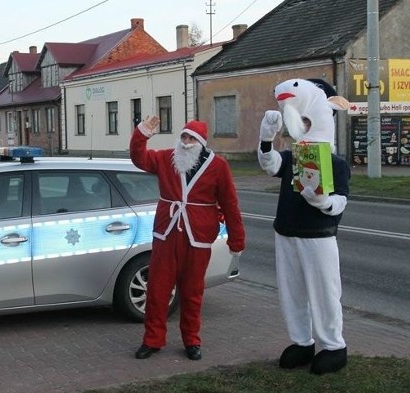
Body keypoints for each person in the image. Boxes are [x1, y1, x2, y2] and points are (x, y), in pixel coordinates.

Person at [130, 116, 245, 360]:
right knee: (158, 289)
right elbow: (139, 158)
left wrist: (237, 240)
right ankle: (152, 339)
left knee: (193, 293)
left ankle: (191, 340)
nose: (186, 142)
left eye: (191, 138)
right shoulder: (165, 158)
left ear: (201, 143)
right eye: (183, 137)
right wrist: (141, 134)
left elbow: (230, 204)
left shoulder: (218, 166)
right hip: (167, 234)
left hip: (199, 236)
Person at [257, 78, 350, 375]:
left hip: (318, 236)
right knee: (292, 292)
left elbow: (341, 202)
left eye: (309, 121)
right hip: (286, 232)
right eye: (302, 122)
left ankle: (334, 346)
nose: (305, 127)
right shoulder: (295, 156)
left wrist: (323, 202)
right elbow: (271, 164)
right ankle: (301, 341)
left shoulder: (336, 163)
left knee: (324, 292)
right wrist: (266, 139)